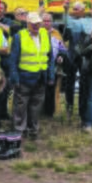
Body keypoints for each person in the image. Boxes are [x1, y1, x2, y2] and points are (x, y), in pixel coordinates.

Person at [8, 11, 55, 139]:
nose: (35, 26)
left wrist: (51, 75)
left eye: (38, 23)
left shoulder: (45, 35)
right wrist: (15, 77)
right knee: (21, 104)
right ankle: (19, 129)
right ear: (27, 23)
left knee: (36, 105)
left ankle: (33, 129)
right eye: (33, 23)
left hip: (41, 76)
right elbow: (13, 59)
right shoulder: (19, 36)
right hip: (24, 76)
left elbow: (50, 57)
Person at [62, 1, 92, 117]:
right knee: (69, 82)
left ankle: (83, 108)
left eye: (76, 9)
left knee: (84, 82)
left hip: (84, 56)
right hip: (71, 56)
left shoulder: (88, 22)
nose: (73, 11)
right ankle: (69, 104)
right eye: (73, 9)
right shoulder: (70, 21)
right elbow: (65, 37)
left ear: (82, 10)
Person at [42, 12, 66, 117]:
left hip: (53, 65)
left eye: (49, 21)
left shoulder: (56, 33)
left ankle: (49, 112)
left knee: (51, 88)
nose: (47, 23)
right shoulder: (37, 32)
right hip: (40, 64)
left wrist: (61, 56)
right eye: (45, 21)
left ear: (52, 22)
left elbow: (63, 48)